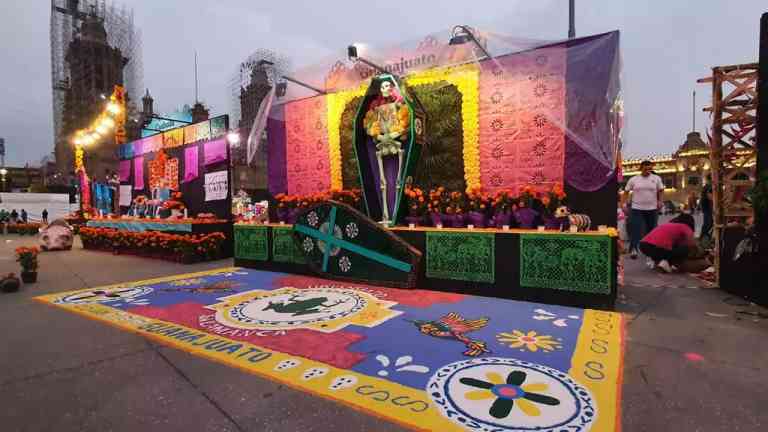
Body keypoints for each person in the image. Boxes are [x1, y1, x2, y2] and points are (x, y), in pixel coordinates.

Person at [624, 160, 664, 259]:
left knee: (652, 230)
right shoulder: (634, 179)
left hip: (652, 208)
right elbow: (626, 192)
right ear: (641, 168)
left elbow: (661, 190)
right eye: (646, 169)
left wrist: (660, 201)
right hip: (637, 208)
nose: (648, 171)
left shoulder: (656, 178)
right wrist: (624, 204)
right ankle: (634, 249)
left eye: (650, 169)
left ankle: (651, 251)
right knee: (636, 229)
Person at [700, 174, 713, 239]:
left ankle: (703, 237)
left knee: (707, 223)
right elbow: (710, 197)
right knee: (708, 223)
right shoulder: (709, 186)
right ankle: (705, 238)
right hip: (708, 207)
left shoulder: (706, 186)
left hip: (705, 207)